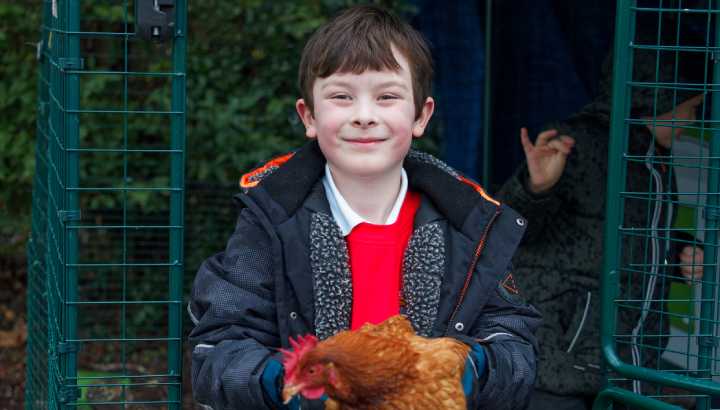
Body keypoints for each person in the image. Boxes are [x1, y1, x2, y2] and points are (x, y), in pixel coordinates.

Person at [187, 5, 541, 410]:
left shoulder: (472, 225)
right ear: (309, 116)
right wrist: (292, 383)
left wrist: (461, 370)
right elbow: (216, 352)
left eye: (387, 96)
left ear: (421, 115)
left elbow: (517, 348)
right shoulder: (269, 221)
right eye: (341, 97)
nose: (364, 116)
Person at [497, 40, 706, 409]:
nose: (690, 121)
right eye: (689, 109)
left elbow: (630, 235)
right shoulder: (580, 143)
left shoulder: (653, 160)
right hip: (559, 355)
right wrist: (535, 188)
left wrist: (678, 253)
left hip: (614, 354)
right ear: (655, 99)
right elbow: (508, 229)